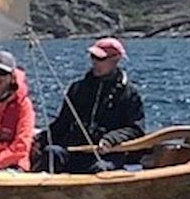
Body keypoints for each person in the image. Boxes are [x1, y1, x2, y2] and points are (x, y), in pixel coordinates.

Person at [42, 38, 144, 172]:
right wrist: (39, 140)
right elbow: (63, 122)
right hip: (75, 150)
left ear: (116, 59)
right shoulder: (78, 88)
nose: (95, 62)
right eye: (93, 57)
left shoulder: (129, 93)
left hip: (108, 154)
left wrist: (111, 139)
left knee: (101, 168)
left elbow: (135, 129)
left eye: (100, 58)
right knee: (52, 153)